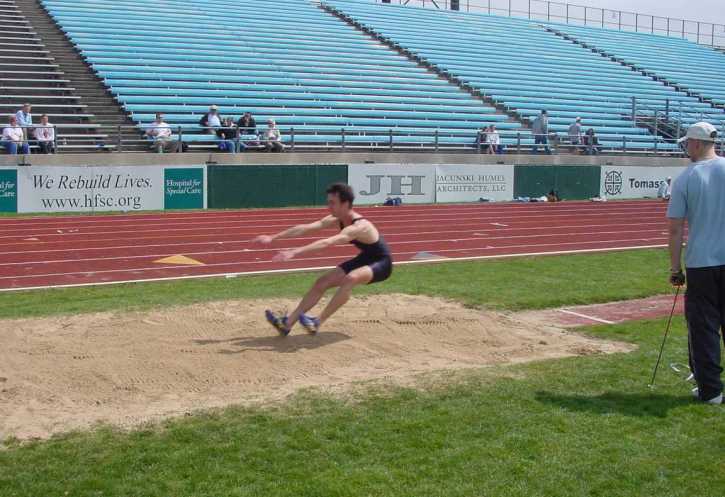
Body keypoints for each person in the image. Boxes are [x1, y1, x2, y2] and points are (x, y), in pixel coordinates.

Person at [254, 183, 393, 335]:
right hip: (365, 258)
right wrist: (273, 237)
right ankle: (286, 324)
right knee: (322, 282)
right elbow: (306, 228)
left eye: (332, 203)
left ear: (345, 204)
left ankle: (317, 322)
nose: (328, 206)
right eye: (328, 202)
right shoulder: (336, 218)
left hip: (382, 263)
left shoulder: (360, 226)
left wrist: (295, 252)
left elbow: (328, 242)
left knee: (351, 278)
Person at [667, 122, 725, 405]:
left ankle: (711, 390)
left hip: (703, 262)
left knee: (703, 328)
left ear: (699, 144)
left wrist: (675, 268)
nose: (686, 147)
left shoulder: (686, 178)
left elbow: (675, 228)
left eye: (689, 142)